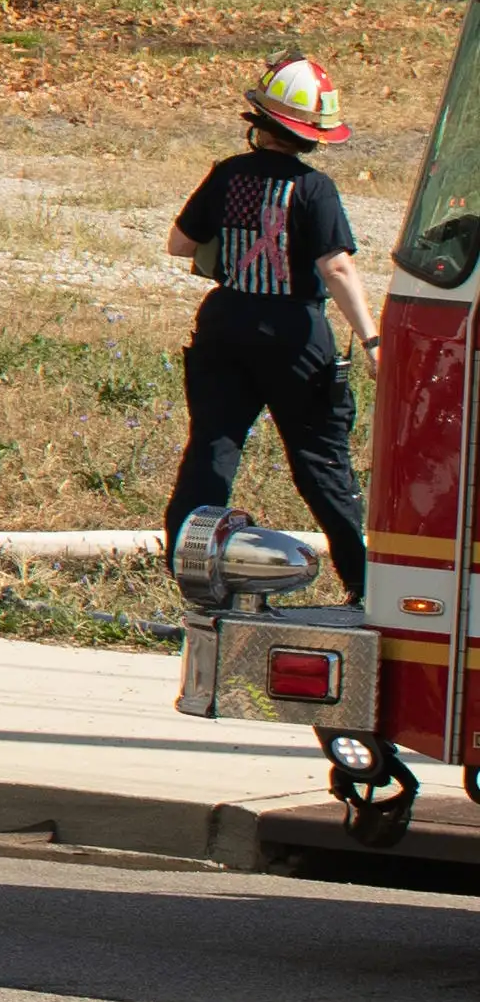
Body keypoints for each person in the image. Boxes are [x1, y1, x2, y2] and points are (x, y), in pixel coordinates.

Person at [169, 57, 379, 603]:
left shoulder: (227, 174)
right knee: (318, 459)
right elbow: (336, 267)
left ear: (260, 120)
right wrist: (373, 340)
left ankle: (189, 566)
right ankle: (361, 579)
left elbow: (180, 244)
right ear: (312, 136)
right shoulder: (316, 189)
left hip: (225, 323)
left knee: (214, 447)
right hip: (294, 334)